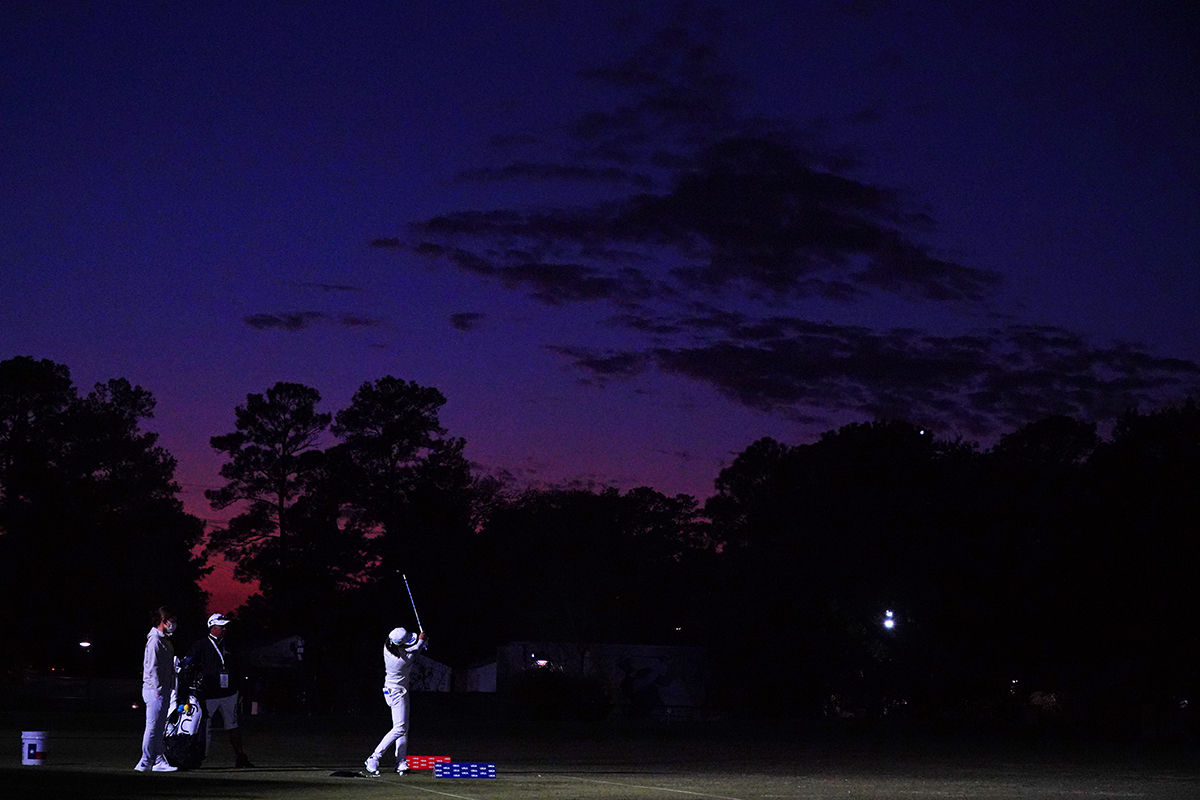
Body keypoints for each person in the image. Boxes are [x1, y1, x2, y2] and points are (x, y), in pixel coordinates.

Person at [187, 613, 253, 767]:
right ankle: (197, 757)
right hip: (209, 693)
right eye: (221, 626)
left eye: (225, 626)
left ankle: (240, 757)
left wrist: (239, 688)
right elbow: (189, 665)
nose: (224, 629)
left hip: (229, 693)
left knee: (233, 725)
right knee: (203, 727)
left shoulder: (229, 645)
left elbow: (237, 667)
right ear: (212, 627)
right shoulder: (201, 645)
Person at [364, 626, 427, 776]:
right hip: (396, 693)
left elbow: (413, 648)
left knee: (403, 727)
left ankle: (401, 762)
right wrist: (422, 642)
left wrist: (421, 642)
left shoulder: (388, 645)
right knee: (399, 728)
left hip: (394, 690)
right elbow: (414, 651)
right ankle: (374, 757)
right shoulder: (403, 660)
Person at [136, 606, 178, 772]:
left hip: (162, 689)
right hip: (155, 690)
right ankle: (145, 761)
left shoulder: (164, 639)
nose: (174, 624)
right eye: (172, 621)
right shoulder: (155, 640)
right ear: (164, 621)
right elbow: (152, 667)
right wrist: (158, 688)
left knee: (159, 727)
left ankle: (158, 760)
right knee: (153, 726)